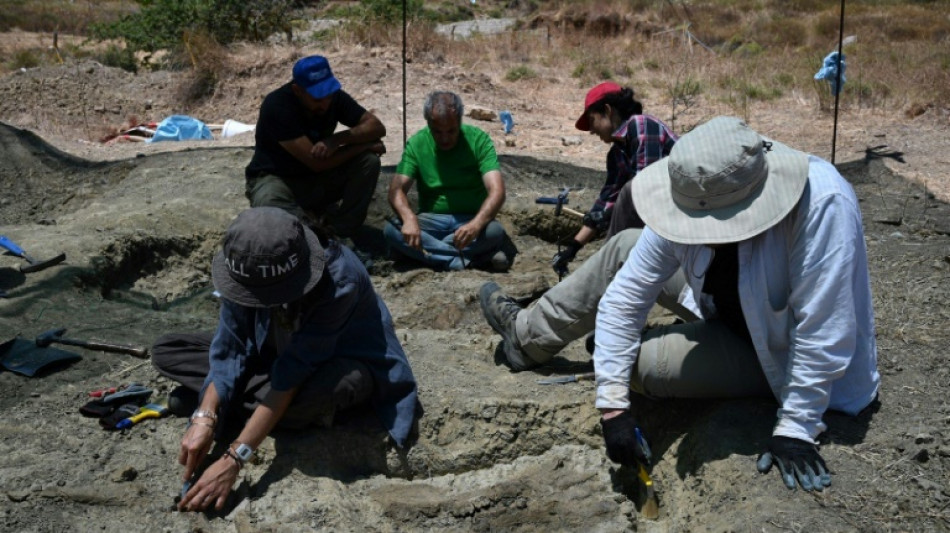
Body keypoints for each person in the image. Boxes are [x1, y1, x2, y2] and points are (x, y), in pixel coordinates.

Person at [488, 116, 881, 491]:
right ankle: (526, 339)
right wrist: (611, 406)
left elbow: (825, 329)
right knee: (624, 246)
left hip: (780, 353)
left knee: (646, 366)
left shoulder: (821, 204)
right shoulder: (697, 189)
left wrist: (797, 427)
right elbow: (626, 296)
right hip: (722, 308)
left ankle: (643, 347)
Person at [151, 207, 419, 512]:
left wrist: (235, 457)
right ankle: (250, 409)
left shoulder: (340, 281)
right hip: (273, 353)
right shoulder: (243, 266)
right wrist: (206, 415)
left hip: (333, 361)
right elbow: (230, 345)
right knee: (167, 349)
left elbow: (291, 374)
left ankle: (246, 408)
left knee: (342, 385)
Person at [244, 55, 387, 242]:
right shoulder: (277, 106)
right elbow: (316, 163)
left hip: (317, 179)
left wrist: (337, 139)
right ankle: (313, 229)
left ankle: (342, 230)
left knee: (369, 162)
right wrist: (364, 145)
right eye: (317, 98)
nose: (325, 102)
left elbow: (377, 127)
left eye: (328, 95)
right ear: (297, 90)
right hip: (278, 177)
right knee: (270, 206)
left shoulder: (333, 97)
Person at [552, 82, 677, 277]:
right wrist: (573, 248)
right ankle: (609, 268)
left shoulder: (641, 125)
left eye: (592, 121)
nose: (592, 131)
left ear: (607, 111)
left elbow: (644, 188)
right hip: (662, 216)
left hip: (684, 211)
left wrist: (608, 224)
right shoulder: (616, 154)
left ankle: (608, 269)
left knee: (629, 196)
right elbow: (606, 202)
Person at [384, 91, 510, 271]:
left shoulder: (479, 140)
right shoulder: (417, 143)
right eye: (437, 131)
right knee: (392, 229)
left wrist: (476, 224)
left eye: (451, 131)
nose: (444, 138)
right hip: (431, 220)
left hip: (470, 219)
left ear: (459, 121)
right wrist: (409, 218)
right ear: (428, 123)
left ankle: (426, 254)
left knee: (494, 232)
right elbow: (396, 190)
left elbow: (497, 191)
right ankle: (465, 260)